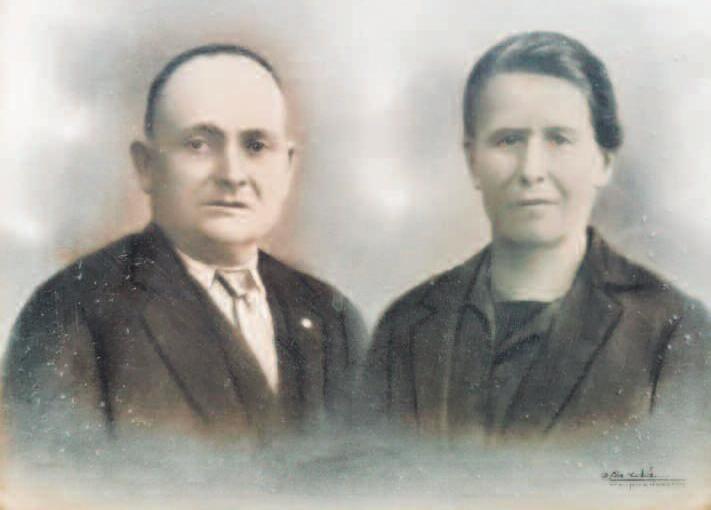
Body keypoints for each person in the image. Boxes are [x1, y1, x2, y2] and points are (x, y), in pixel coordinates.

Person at [2, 44, 365, 448]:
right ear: (146, 166)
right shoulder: (70, 314)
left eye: (256, 146)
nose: (232, 175)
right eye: (198, 144)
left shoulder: (332, 317)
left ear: (287, 166)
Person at [362, 32, 709, 440]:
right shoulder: (405, 327)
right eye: (508, 140)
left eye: (559, 139)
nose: (531, 170)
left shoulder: (673, 331)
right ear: (473, 162)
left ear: (603, 161)